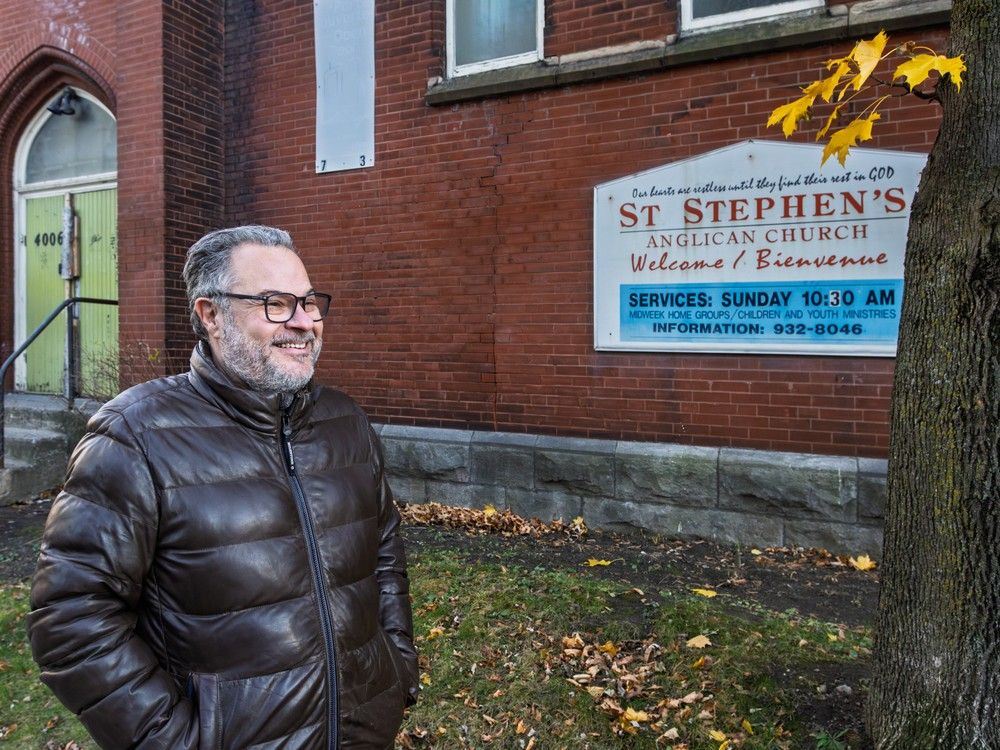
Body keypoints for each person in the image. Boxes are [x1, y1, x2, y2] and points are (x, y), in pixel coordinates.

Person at [28, 225, 418, 749]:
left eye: (309, 302)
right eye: (276, 304)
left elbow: (385, 557)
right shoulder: (135, 436)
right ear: (211, 315)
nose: (304, 322)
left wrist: (396, 671)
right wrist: (174, 741)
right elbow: (71, 619)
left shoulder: (345, 424)